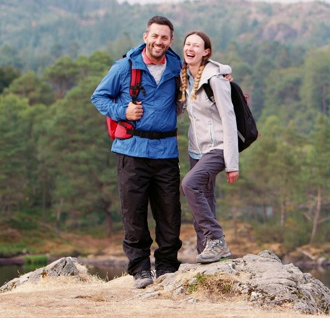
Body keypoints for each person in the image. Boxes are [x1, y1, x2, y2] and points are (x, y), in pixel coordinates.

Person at [91, 16, 183, 289]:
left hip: (166, 152)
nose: (159, 42)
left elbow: (203, 72)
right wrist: (123, 112)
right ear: (146, 36)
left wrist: (227, 79)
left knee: (170, 212)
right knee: (134, 212)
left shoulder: (177, 66)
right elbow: (99, 96)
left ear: (171, 41)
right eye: (155, 36)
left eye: (164, 37)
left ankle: (167, 267)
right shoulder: (125, 67)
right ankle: (140, 270)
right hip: (131, 151)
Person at [179, 31, 239, 264]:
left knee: (190, 184)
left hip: (219, 147)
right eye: (187, 44)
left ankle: (216, 239)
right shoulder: (185, 76)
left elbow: (229, 119)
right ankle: (208, 255)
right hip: (197, 148)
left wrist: (232, 163)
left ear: (206, 52)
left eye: (196, 45)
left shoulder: (216, 79)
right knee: (203, 202)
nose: (190, 48)